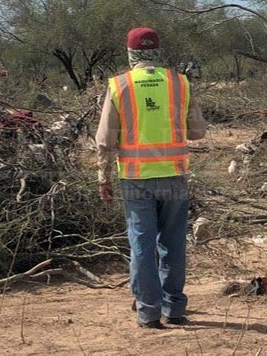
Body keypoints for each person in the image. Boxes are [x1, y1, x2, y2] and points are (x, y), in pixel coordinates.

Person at [95, 27, 207, 329]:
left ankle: (148, 312)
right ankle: (175, 309)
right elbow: (198, 131)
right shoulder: (179, 83)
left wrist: (102, 176)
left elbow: (105, 138)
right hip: (174, 177)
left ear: (131, 54)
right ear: (157, 52)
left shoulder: (119, 85)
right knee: (173, 244)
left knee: (142, 245)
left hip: (135, 180)